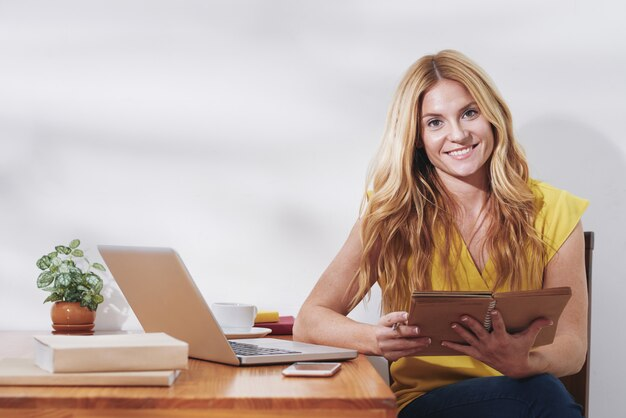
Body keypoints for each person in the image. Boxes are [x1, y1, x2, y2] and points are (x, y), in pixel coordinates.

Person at [293, 49, 588, 418]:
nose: (458, 134)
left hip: (527, 393)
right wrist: (376, 339)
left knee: (538, 391)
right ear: (416, 137)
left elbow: (573, 347)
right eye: (435, 122)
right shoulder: (393, 213)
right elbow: (310, 319)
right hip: (430, 404)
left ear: (492, 115)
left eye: (469, 112)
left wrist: (525, 363)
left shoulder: (555, 211)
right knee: (541, 396)